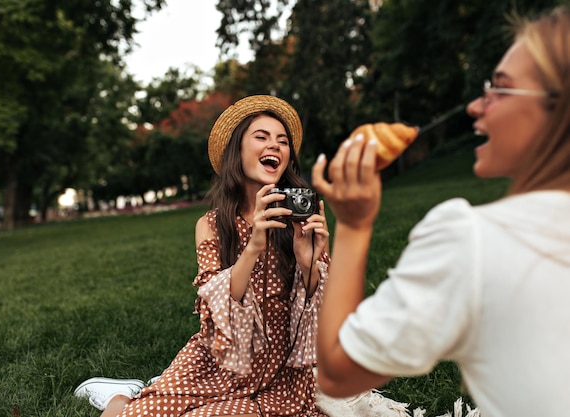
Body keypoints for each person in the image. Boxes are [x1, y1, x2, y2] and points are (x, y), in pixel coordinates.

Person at [312, 6, 570, 417]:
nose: (474, 106)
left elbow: (337, 374)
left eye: (499, 90)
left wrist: (354, 225)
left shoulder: (473, 239)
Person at [75, 95, 331, 417]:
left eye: (282, 141)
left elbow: (319, 314)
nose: (275, 146)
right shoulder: (211, 224)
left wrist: (308, 265)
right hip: (219, 361)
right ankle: (124, 398)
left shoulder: (300, 220)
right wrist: (253, 245)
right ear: (236, 151)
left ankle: (153, 390)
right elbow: (215, 305)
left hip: (283, 374)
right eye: (262, 137)